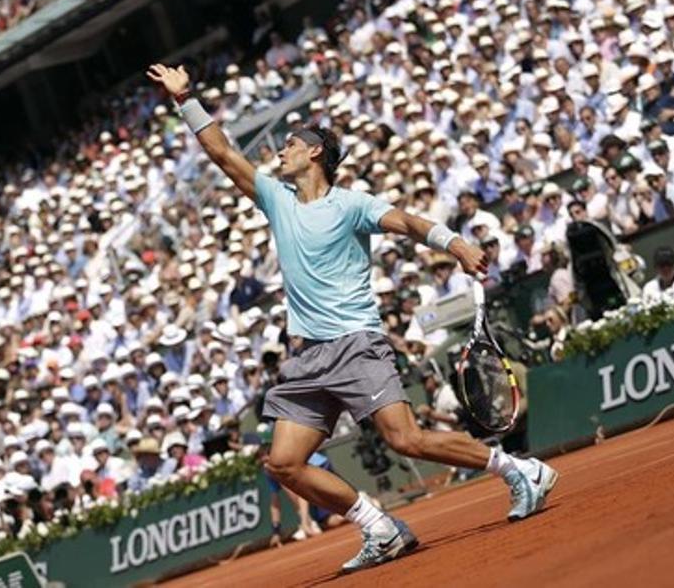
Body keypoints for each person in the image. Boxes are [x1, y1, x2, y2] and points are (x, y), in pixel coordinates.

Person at [148, 63, 557, 574]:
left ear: (314, 152)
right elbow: (223, 153)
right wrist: (185, 99)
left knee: (406, 439)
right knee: (284, 463)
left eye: (290, 144)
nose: (281, 152)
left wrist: (454, 243)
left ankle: (519, 469)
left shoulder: (351, 204)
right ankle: (379, 528)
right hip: (309, 358)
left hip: (356, 344)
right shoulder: (278, 200)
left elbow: (406, 221)